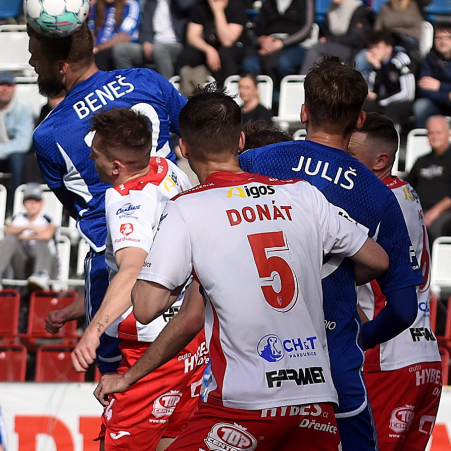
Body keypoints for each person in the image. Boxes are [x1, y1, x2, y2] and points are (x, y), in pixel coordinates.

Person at [94, 88, 391, 451]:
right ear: (240, 140)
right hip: (316, 401)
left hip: (244, 404)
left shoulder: (190, 207)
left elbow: (145, 307)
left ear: (184, 149)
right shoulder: (302, 194)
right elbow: (377, 260)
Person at [238, 59, 422, 450]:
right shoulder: (378, 196)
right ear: (359, 120)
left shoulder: (257, 163)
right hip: (334, 370)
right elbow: (405, 309)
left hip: (255, 366)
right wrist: (361, 337)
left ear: (304, 112)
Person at [29, 18, 186, 380]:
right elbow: (200, 134)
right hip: (182, 259)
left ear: (61, 66)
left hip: (116, 270)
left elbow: (98, 228)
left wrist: (93, 325)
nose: (31, 64)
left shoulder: (51, 135)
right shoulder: (147, 80)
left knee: (120, 396)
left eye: (35, 56)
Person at [61, 108, 202, 451]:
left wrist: (92, 333)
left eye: (95, 155)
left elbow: (133, 269)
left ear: (115, 166)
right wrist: (74, 310)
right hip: (191, 338)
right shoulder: (168, 170)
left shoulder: (125, 199)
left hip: (148, 347)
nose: (91, 159)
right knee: (175, 439)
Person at [347, 112, 443, 451]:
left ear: (380, 161)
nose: (342, 162)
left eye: (351, 155)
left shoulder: (373, 202)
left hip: (387, 359)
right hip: (424, 357)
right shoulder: (407, 193)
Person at [112, 0, 194, 78]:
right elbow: (145, 26)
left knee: (159, 49)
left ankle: (166, 88)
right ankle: (130, 86)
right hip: (153, 45)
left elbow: (186, 3)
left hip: (175, 45)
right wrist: (145, 42)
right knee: (120, 50)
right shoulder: (151, 0)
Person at [0, 183, 58, 293]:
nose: (32, 204)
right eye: (29, 200)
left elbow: (47, 235)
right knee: (10, 239)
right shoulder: (18, 218)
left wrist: (24, 235)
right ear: (23, 203)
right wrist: (30, 227)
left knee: (41, 242)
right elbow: (7, 231)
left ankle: (42, 274)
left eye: (36, 200)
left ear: (42, 203)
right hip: (23, 263)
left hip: (47, 262)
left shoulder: (48, 218)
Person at [175, 0, 248, 95]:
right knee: (186, 54)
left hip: (235, 46)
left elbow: (227, 40)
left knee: (225, 53)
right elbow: (192, 36)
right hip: (210, 46)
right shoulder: (201, 4)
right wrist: (209, 50)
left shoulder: (237, 4)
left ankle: (224, 95)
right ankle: (186, 91)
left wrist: (218, 11)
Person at [406, 115, 451, 242]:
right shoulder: (421, 161)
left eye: (438, 132)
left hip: (446, 213)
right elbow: (406, 188)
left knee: (428, 229)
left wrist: (433, 213)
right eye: (431, 133)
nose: (434, 137)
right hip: (418, 212)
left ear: (448, 134)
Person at [245, 0, 313, 80]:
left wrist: (282, 43)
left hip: (296, 45)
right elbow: (258, 28)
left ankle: (279, 96)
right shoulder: (268, 1)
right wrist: (262, 40)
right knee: (249, 63)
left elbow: (307, 28)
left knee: (283, 63)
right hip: (269, 45)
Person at [299, 0, 372, 72]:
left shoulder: (358, 8)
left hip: (351, 49)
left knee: (316, 48)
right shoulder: (330, 8)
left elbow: (355, 39)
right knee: (317, 61)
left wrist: (329, 40)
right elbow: (327, 33)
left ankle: (302, 80)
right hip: (334, 47)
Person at [366, 0, 433, 63]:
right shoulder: (385, 8)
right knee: (363, 57)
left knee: (397, 58)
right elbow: (377, 32)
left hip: (409, 45)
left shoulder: (416, 3)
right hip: (389, 45)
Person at [360, 29, 415, 129]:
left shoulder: (400, 59)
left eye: (377, 47)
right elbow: (373, 93)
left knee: (391, 109)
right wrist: (377, 68)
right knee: (365, 106)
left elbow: (408, 94)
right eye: (371, 47)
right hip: (386, 100)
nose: (373, 51)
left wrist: (382, 100)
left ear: (389, 48)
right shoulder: (375, 64)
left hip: (406, 101)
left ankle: (392, 141)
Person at [89, 0, 141, 72]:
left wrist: (99, 48)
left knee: (102, 57)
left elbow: (125, 36)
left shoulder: (130, 4)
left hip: (117, 49)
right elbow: (91, 32)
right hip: (97, 50)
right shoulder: (95, 6)